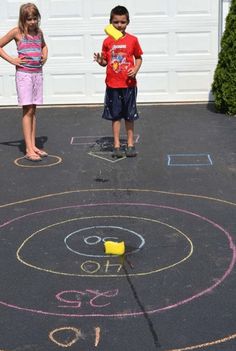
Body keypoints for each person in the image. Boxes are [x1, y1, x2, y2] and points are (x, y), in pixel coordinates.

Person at [0, 3, 48, 161]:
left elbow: (44, 46)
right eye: (29, 19)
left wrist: (45, 55)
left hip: (37, 74)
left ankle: (33, 145)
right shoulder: (17, 32)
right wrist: (12, 60)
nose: (33, 22)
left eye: (35, 18)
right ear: (23, 19)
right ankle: (28, 149)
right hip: (24, 75)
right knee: (27, 110)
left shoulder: (39, 32)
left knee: (33, 109)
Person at [94, 5, 143, 158]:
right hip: (113, 84)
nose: (119, 25)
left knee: (129, 115)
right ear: (110, 23)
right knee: (115, 115)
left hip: (128, 84)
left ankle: (130, 144)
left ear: (127, 22)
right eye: (116, 22)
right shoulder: (107, 41)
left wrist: (135, 69)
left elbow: (139, 58)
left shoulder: (133, 40)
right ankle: (116, 145)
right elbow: (105, 62)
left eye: (122, 22)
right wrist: (100, 60)